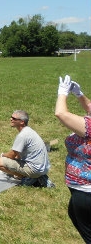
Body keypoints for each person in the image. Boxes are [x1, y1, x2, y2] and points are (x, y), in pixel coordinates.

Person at [55, 75, 91, 243]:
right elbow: (90, 107)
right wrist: (79, 94)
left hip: (86, 189)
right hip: (81, 187)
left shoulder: (89, 127)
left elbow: (61, 113)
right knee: (74, 215)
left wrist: (62, 93)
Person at [0, 110, 53, 187]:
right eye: (11, 117)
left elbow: (11, 155)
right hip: (42, 168)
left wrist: (3, 155)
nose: (11, 119)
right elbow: (17, 155)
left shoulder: (22, 135)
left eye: (14, 118)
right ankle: (37, 177)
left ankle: (24, 177)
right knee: (15, 159)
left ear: (22, 122)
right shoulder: (29, 131)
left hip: (34, 169)